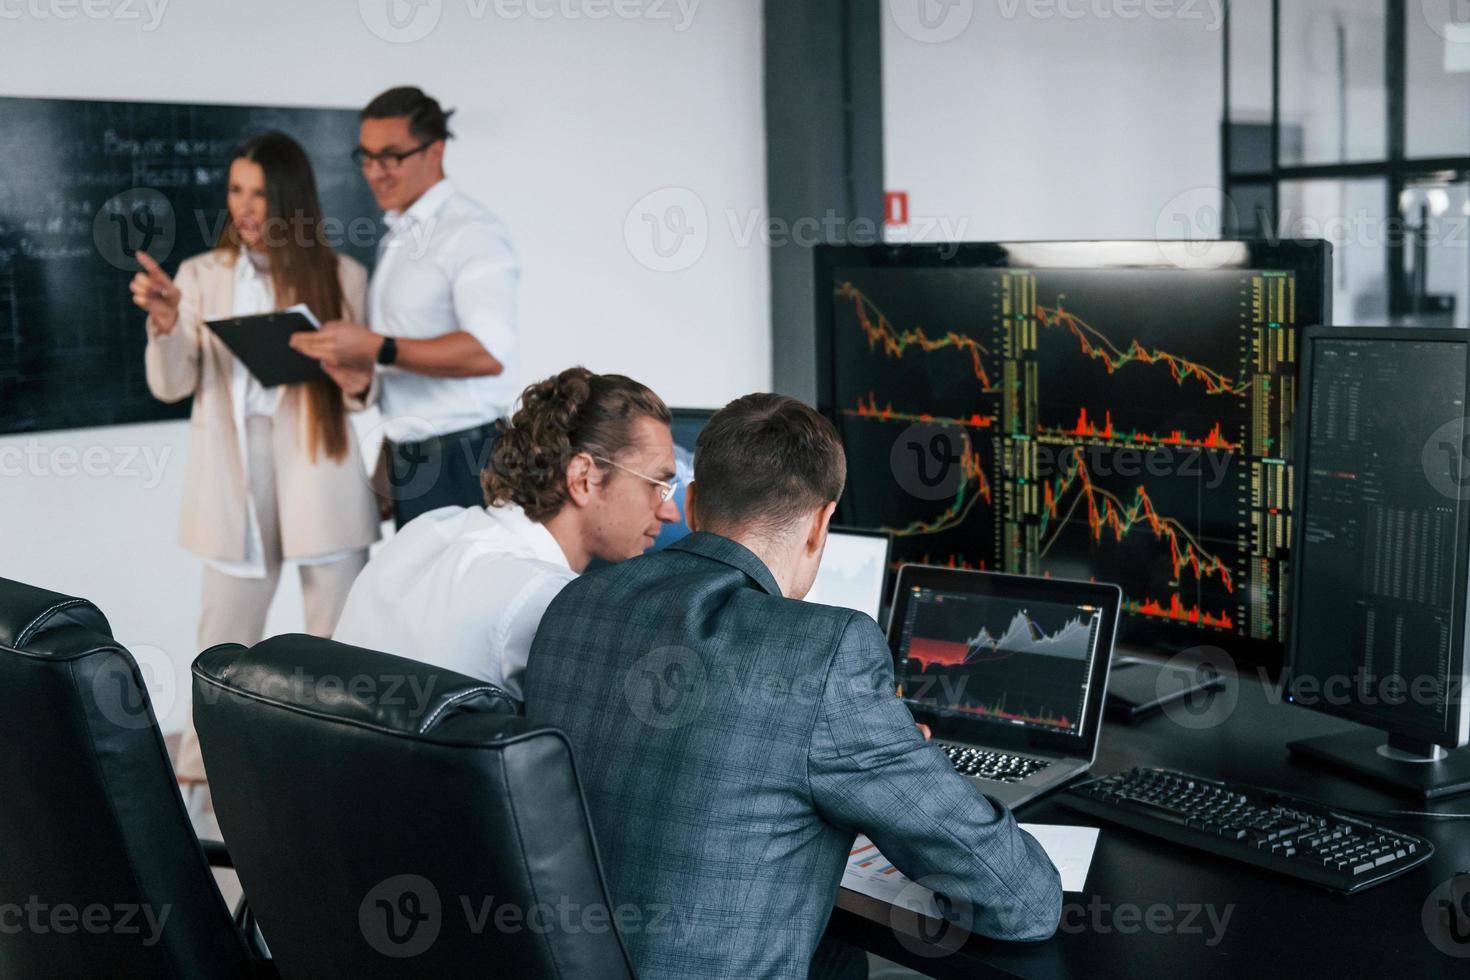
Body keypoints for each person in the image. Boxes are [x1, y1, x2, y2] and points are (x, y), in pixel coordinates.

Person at [524, 394, 1062, 979]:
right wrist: (900, 758)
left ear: (696, 503)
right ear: (821, 522)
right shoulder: (824, 650)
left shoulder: (575, 601)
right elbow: (1022, 903)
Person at [132, 131, 381, 782]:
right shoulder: (198, 277)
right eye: (236, 190)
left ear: (290, 198)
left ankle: (340, 772)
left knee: (338, 639)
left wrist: (347, 371)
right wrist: (164, 325)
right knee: (223, 639)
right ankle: (204, 776)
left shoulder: (342, 276)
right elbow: (171, 384)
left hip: (318, 469)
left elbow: (362, 396)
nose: (244, 207)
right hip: (233, 474)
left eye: (261, 192)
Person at [332, 367, 679, 703]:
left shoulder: (427, 530)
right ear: (583, 477)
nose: (670, 511)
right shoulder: (551, 603)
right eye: (657, 485)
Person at [290, 86, 519, 528]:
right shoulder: (400, 232)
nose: (375, 172)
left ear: (435, 151)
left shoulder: (471, 233)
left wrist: (376, 347)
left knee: (462, 596)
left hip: (467, 460)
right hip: (413, 457)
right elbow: (402, 366)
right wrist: (388, 455)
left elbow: (487, 353)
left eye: (391, 156)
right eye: (367, 157)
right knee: (423, 596)